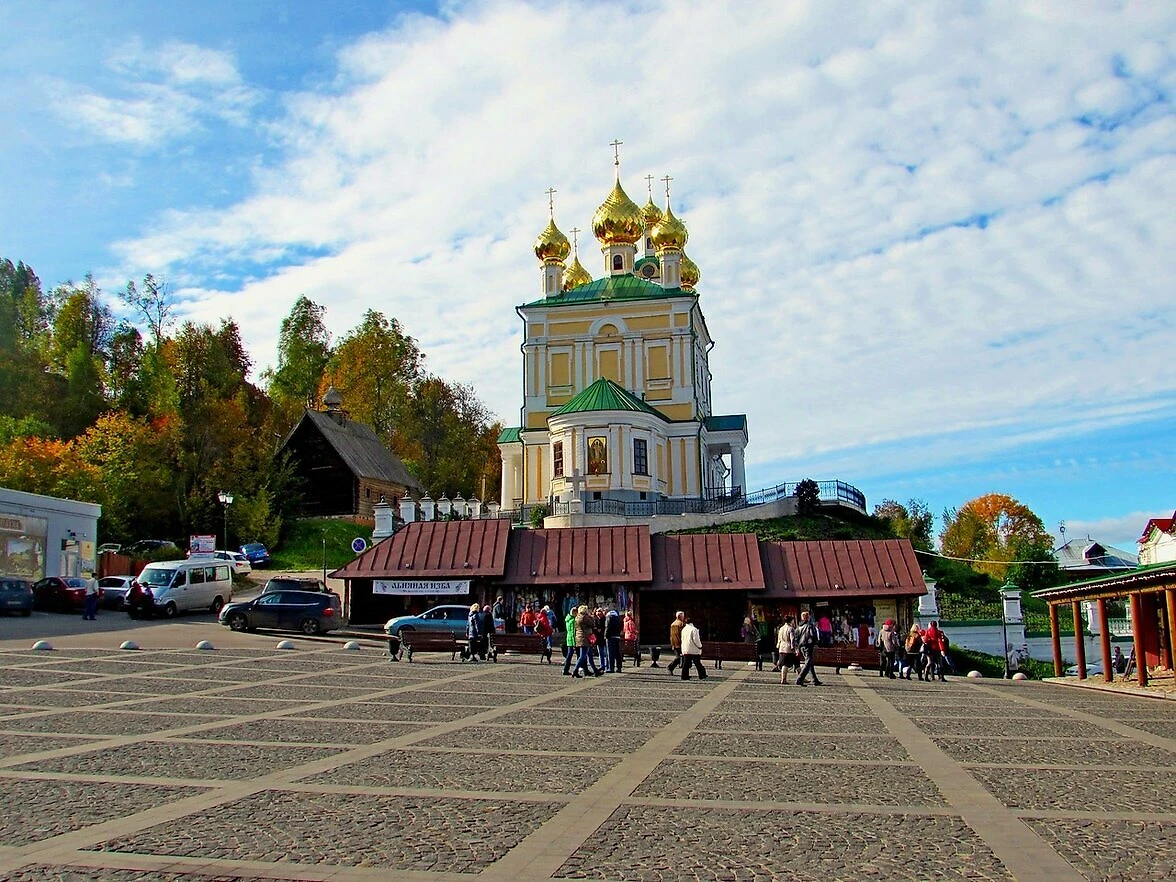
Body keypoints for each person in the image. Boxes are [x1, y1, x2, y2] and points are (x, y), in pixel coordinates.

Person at [571, 604, 602, 678]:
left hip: (580, 638)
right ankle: (575, 671)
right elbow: (592, 623)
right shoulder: (584, 618)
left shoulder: (577, 617)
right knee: (582, 656)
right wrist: (591, 616)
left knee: (589, 655)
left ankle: (595, 670)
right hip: (585, 638)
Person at [794, 610, 822, 686]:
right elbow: (813, 635)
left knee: (810, 663)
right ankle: (800, 679)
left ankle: (814, 679)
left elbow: (796, 638)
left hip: (801, 646)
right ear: (808, 617)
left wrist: (797, 648)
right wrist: (815, 642)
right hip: (808, 645)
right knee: (808, 663)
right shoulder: (809, 625)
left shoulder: (798, 627)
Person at [679, 615, 707, 680]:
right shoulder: (694, 629)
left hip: (686, 649)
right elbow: (696, 639)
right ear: (692, 622)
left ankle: (684, 676)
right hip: (693, 649)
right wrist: (700, 646)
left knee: (685, 664)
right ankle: (702, 675)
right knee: (698, 663)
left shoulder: (684, 629)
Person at [776, 615, 797, 685]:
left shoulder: (781, 628)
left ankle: (801, 676)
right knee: (786, 664)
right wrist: (793, 647)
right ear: (791, 621)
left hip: (782, 647)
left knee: (794, 662)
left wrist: (778, 645)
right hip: (788, 648)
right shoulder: (790, 628)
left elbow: (779, 638)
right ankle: (783, 679)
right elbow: (792, 639)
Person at [667, 610, 685, 676]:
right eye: (683, 616)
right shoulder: (681, 624)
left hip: (674, 643)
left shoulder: (673, 624)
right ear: (680, 617)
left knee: (680, 657)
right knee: (679, 657)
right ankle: (670, 667)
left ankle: (683, 672)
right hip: (680, 643)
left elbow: (671, 635)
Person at [605, 607, 623, 672]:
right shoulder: (618, 618)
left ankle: (611, 668)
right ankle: (619, 667)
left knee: (610, 653)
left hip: (610, 637)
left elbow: (608, 627)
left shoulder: (609, 617)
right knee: (617, 653)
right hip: (617, 636)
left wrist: (606, 636)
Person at [562, 606, 578, 675]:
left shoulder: (568, 619)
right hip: (572, 639)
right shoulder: (573, 621)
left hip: (569, 639)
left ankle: (566, 669)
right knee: (575, 655)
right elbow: (573, 632)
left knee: (569, 655)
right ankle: (567, 669)